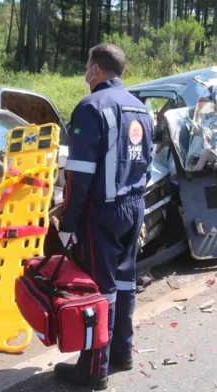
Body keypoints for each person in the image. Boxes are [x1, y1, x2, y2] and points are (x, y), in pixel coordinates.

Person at [55, 44, 153, 390]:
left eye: (86, 66)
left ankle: (94, 369)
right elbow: (148, 163)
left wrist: (68, 224)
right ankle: (121, 354)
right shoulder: (140, 107)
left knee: (100, 289)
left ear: (95, 69)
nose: (86, 72)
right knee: (125, 282)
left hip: (102, 212)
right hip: (134, 205)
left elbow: (78, 176)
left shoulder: (91, 107)